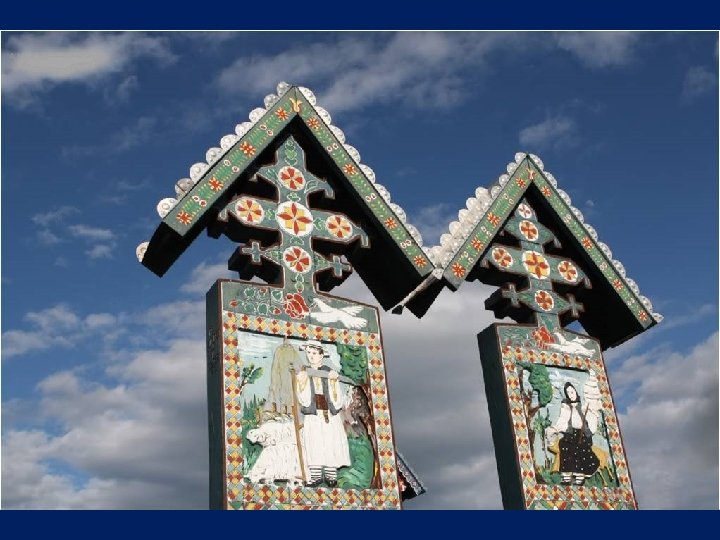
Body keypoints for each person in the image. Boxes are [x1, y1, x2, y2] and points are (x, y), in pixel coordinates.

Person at [295, 340, 351, 487]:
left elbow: (337, 400)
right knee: (314, 442)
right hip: (313, 414)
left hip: (329, 415)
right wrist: (302, 382)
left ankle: (331, 475)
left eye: (314, 353)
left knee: (330, 442)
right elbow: (303, 399)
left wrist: (333, 382)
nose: (311, 356)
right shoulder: (304, 372)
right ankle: (315, 476)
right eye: (308, 353)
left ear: (321, 355)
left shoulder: (329, 372)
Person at [547, 382, 599, 486]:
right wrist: (556, 428)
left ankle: (580, 477)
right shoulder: (566, 407)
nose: (571, 395)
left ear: (575, 391)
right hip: (570, 433)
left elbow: (591, 419)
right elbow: (563, 419)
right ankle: (566, 477)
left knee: (582, 451)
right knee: (565, 446)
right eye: (568, 393)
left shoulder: (583, 406)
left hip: (583, 434)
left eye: (572, 392)